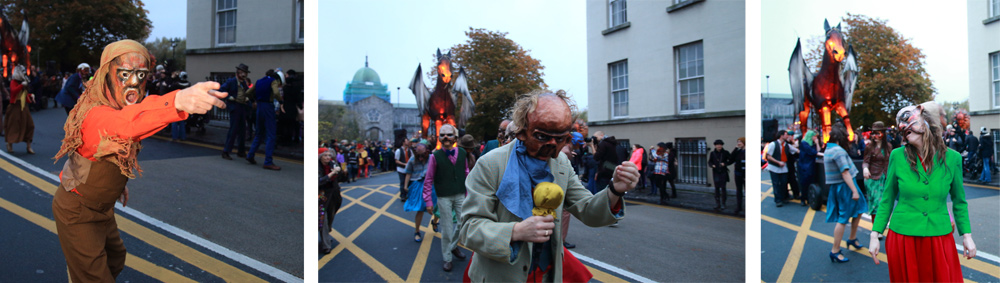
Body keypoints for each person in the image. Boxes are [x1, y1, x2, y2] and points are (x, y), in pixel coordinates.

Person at [51, 39, 227, 282]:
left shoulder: (114, 105)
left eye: (141, 74)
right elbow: (126, 124)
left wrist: (115, 184)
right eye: (124, 73)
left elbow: (112, 147)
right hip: (77, 209)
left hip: (102, 206)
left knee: (115, 258)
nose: (133, 82)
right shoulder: (94, 111)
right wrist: (176, 101)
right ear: (105, 75)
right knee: (96, 277)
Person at [459, 90, 636, 282]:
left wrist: (615, 189)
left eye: (560, 139)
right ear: (522, 132)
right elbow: (469, 228)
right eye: (542, 137)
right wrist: (516, 231)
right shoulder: (491, 164)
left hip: (547, 275)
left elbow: (586, 208)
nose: (552, 146)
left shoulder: (561, 164)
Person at [868, 104, 976, 282]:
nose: (903, 128)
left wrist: (967, 236)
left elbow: (959, 201)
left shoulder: (953, 158)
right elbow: (886, 199)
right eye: (901, 126)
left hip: (939, 237)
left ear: (927, 123)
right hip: (903, 238)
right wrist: (874, 234)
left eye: (907, 121)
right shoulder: (897, 156)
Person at [422, 124, 469, 272]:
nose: (446, 137)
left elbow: (466, 171)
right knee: (447, 229)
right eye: (442, 135)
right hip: (444, 197)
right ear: (439, 138)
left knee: (464, 224)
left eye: (449, 134)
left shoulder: (462, 153)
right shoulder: (434, 156)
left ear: (455, 138)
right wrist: (428, 200)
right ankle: (447, 257)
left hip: (461, 194)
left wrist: (469, 193)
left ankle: (453, 246)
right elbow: (428, 179)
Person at [823, 122, 868, 263]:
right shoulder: (838, 151)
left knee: (860, 209)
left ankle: (852, 238)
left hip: (840, 186)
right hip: (846, 186)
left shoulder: (829, 149)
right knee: (843, 218)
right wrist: (854, 190)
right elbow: (845, 172)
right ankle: (835, 250)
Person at [245, 69, 283, 170]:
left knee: (259, 133)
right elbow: (275, 93)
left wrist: (254, 101)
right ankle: (268, 162)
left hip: (259, 107)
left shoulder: (259, 81)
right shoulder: (273, 81)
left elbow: (248, 92)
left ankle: (250, 155)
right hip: (268, 107)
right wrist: (281, 102)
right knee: (271, 135)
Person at [402, 142, 438, 243]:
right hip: (418, 184)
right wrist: (405, 186)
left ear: (427, 152)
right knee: (420, 208)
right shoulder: (412, 159)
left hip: (432, 183)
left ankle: (435, 222)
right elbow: (408, 173)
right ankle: (417, 231)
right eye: (419, 155)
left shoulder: (432, 157)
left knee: (437, 206)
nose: (421, 158)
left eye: (423, 155)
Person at [219, 63, 253, 160]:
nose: (244, 75)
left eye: (245, 73)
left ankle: (241, 151)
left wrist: (247, 98)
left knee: (242, 130)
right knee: (233, 130)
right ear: (238, 72)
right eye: (242, 72)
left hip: (242, 107)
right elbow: (221, 90)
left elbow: (247, 92)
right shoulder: (231, 81)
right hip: (235, 107)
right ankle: (226, 151)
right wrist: (229, 97)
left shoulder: (243, 83)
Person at [863, 121, 890, 230]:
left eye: (878, 133)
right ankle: (876, 228)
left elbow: (890, 162)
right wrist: (865, 168)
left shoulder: (888, 146)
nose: (875, 136)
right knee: (876, 204)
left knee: (884, 204)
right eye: (873, 133)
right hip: (873, 178)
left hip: (885, 178)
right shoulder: (869, 147)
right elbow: (865, 161)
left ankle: (880, 226)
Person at [5, 65, 35, 154]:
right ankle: (10, 144)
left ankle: (28, 146)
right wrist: (21, 86)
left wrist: (30, 96)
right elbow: (13, 91)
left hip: (23, 106)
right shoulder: (13, 82)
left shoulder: (24, 82)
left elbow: (24, 95)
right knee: (13, 126)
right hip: (15, 106)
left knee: (30, 125)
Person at [765, 130, 798, 207]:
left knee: (784, 183)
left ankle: (783, 197)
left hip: (783, 168)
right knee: (776, 183)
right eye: (786, 135)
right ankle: (778, 200)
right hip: (774, 168)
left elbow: (796, 151)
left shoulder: (786, 145)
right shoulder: (773, 144)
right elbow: (768, 156)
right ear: (781, 136)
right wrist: (778, 162)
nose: (788, 136)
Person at [318, 149, 342, 254]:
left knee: (330, 216)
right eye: (325, 156)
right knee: (323, 220)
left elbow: (342, 178)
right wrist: (332, 173)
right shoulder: (317, 166)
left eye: (329, 155)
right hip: (321, 196)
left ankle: (326, 235)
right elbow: (319, 182)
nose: (328, 157)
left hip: (334, 195)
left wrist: (341, 171)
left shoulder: (332, 164)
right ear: (320, 157)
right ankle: (326, 245)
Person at [797, 130, 821, 207]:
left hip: (811, 165)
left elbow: (818, 150)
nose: (816, 138)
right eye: (815, 136)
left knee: (811, 181)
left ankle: (809, 198)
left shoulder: (812, 144)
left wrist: (817, 143)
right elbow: (814, 152)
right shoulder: (804, 144)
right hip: (804, 166)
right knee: (804, 182)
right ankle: (803, 199)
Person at [592, 131, 619, 195]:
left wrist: (591, 145)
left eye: (596, 137)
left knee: (601, 193)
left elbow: (596, 157)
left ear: (601, 135)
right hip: (612, 170)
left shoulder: (603, 144)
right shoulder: (613, 143)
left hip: (603, 172)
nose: (594, 139)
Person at [708, 139, 731, 211]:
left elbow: (730, 160)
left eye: (720, 145)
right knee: (716, 188)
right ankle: (718, 204)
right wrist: (712, 165)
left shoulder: (726, 152)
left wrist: (725, 164)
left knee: (723, 188)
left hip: (723, 172)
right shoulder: (712, 153)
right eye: (717, 145)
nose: (719, 146)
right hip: (716, 172)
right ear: (715, 146)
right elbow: (709, 162)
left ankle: (723, 203)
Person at [732, 137, 746, 215]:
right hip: (738, 174)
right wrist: (735, 148)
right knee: (739, 191)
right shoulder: (738, 151)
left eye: (740, 142)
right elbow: (731, 159)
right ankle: (739, 207)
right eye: (737, 142)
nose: (738, 143)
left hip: (745, 174)